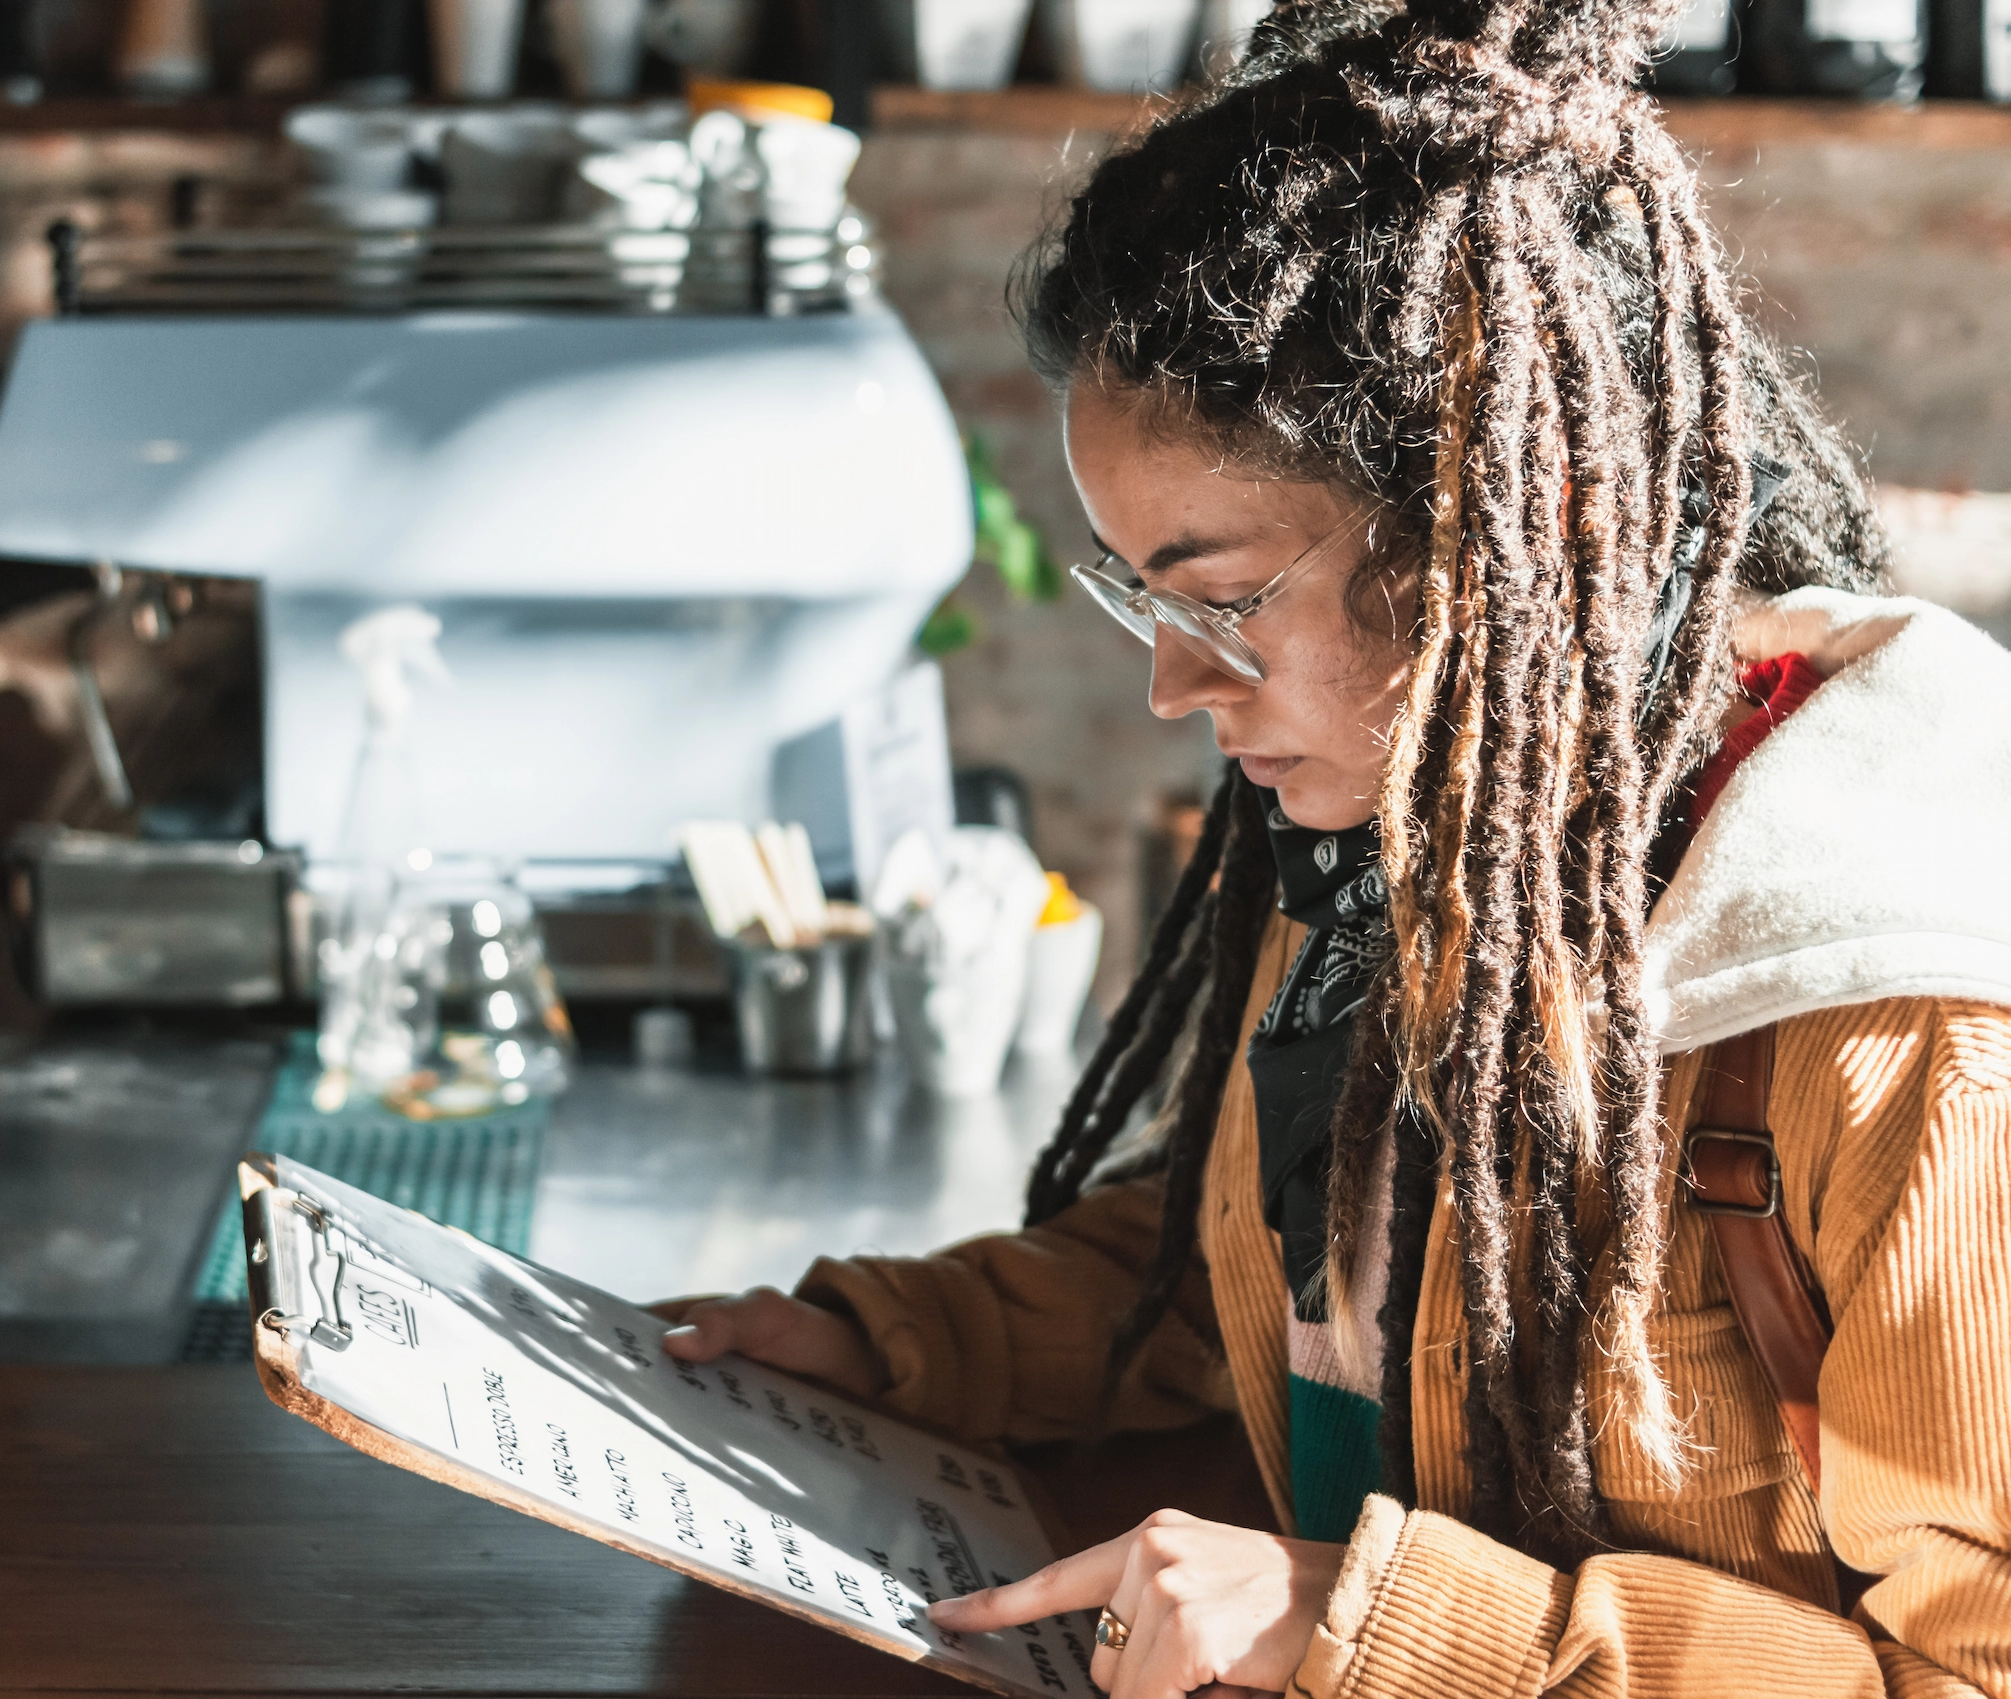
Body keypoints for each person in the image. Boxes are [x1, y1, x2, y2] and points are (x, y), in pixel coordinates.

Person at [658, 0, 2011, 1693]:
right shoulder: (1390, 839)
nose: (1169, 683)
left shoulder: (1909, 1040)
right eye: (1140, 593)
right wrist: (895, 1342)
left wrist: (1360, 1624)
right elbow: (1310, 1273)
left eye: (1221, 600)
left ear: (1505, 543)